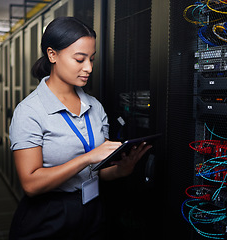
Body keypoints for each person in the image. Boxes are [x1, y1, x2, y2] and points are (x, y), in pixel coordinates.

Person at [8, 17, 152, 240]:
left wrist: (121, 170)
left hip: (92, 210)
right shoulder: (29, 111)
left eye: (92, 59)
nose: (89, 68)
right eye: (79, 59)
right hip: (48, 216)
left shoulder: (95, 107)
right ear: (52, 54)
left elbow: (98, 170)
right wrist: (86, 158)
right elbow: (31, 184)